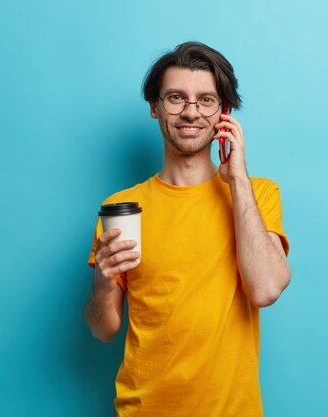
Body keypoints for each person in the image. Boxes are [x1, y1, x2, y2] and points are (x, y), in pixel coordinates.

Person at [84, 41, 291, 417]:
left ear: (224, 113)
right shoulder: (121, 208)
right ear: (155, 107)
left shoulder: (257, 194)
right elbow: (103, 329)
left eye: (206, 100)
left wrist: (238, 180)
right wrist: (101, 281)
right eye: (176, 98)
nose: (190, 112)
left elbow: (265, 288)